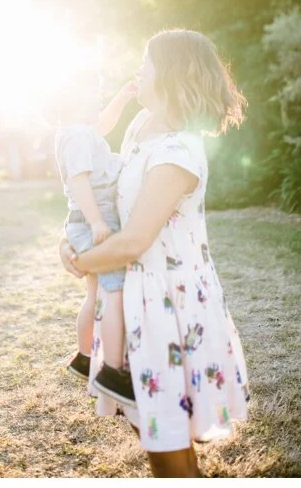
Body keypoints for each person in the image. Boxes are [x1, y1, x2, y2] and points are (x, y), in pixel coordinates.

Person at [61, 29, 250, 478]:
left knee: (165, 448)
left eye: (145, 64)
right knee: (155, 435)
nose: (136, 72)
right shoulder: (140, 127)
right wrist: (69, 238)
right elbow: (106, 199)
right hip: (134, 296)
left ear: (166, 75)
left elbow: (134, 240)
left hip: (170, 304)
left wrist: (76, 262)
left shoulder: (179, 152)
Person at [53, 76, 137, 405]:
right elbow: (79, 181)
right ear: (73, 100)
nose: (98, 96)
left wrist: (122, 96)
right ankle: (114, 372)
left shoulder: (80, 132)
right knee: (113, 288)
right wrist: (97, 221)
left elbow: (103, 123)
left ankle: (85, 356)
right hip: (94, 217)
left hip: (88, 218)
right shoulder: (75, 136)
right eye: (92, 92)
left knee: (94, 291)